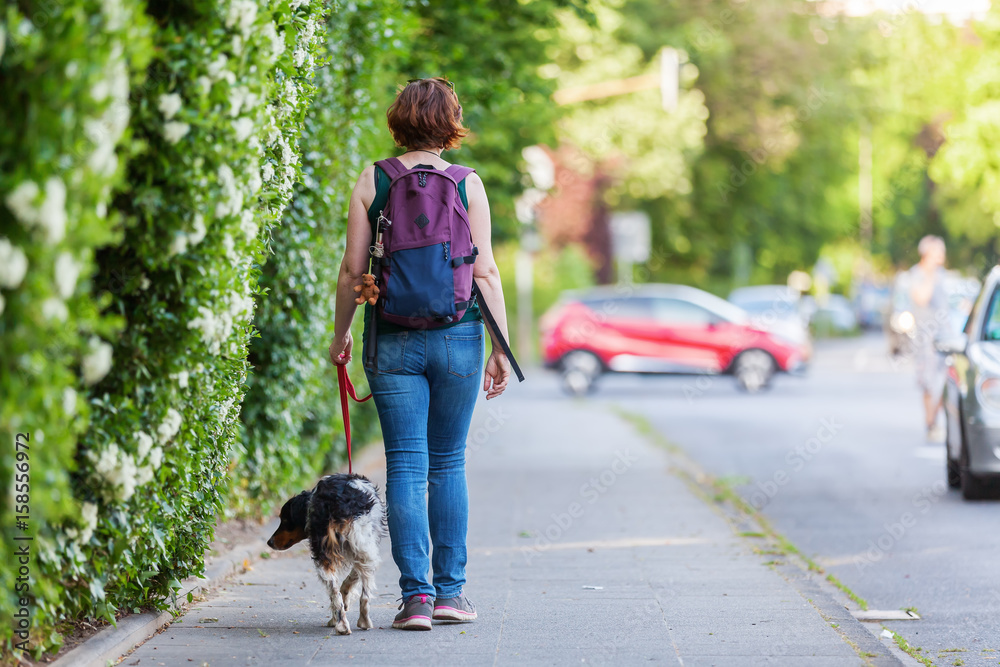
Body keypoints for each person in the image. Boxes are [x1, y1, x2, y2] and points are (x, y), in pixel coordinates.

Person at [328, 77, 512, 631]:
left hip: (392, 337)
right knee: (448, 460)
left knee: (405, 462)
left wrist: (340, 336)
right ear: (450, 124)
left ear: (397, 121)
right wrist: (500, 349)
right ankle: (453, 594)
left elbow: (351, 273)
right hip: (460, 335)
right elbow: (485, 273)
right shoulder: (467, 183)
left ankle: (416, 601)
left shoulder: (373, 179)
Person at [907, 235, 948, 441]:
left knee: (945, 380)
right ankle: (930, 424)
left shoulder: (943, 275)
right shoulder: (918, 274)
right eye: (937, 253)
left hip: (945, 336)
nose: (941, 257)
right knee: (928, 382)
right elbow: (921, 298)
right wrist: (931, 276)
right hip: (925, 337)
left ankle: (933, 421)